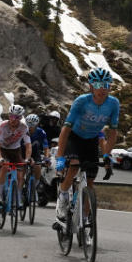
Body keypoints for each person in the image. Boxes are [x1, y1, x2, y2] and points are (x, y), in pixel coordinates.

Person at [53, 69, 119, 232]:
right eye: (98, 85)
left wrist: (107, 155)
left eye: (106, 85)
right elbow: (65, 130)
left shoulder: (113, 103)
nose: (102, 89)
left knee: (90, 182)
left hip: (91, 140)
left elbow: (112, 132)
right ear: (91, 86)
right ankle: (62, 199)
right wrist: (60, 157)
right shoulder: (82, 101)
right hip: (74, 138)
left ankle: (83, 219)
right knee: (74, 166)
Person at [0, 104, 32, 209]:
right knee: (4, 166)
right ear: (9, 116)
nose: (13, 119)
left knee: (21, 173)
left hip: (15, 151)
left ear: (21, 118)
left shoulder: (24, 127)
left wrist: (27, 159)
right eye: (11, 116)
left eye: (17, 117)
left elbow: (28, 145)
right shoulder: (2, 126)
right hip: (3, 150)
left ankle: (17, 197)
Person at [25, 113, 49, 194]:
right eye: (28, 124)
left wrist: (46, 158)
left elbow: (46, 147)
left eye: (32, 125)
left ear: (37, 125)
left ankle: (33, 188)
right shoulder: (23, 131)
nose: (30, 127)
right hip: (23, 152)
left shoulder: (41, 132)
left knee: (38, 167)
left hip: (35, 153)